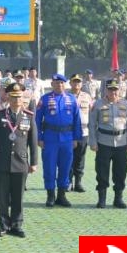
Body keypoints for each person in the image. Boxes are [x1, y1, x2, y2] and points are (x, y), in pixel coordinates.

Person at [0, 82, 37, 238]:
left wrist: (34, 162)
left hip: (20, 162)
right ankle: (4, 225)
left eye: (19, 97)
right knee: (2, 197)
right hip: (1, 162)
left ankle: (17, 225)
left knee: (18, 197)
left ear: (23, 98)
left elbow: (33, 141)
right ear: (8, 97)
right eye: (13, 97)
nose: (16, 100)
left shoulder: (28, 116)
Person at [35, 74, 82, 208]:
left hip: (67, 138)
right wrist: (39, 137)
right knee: (49, 167)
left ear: (65, 84)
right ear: (52, 84)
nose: (59, 85)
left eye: (61, 83)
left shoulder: (72, 99)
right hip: (50, 138)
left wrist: (76, 138)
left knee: (65, 167)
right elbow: (37, 120)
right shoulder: (44, 99)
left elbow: (77, 120)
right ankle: (51, 195)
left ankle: (62, 195)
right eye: (56, 83)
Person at [88, 79, 127, 209]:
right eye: (110, 89)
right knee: (102, 171)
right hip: (103, 142)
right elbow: (92, 124)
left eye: (115, 89)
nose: (113, 92)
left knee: (121, 171)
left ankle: (118, 199)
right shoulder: (98, 104)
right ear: (106, 90)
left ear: (119, 90)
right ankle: (101, 199)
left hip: (121, 142)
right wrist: (93, 142)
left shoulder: (126, 105)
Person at [67, 74, 94, 193]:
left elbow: (92, 113)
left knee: (80, 157)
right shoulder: (66, 96)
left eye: (79, 82)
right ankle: (68, 182)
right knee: (68, 157)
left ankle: (78, 182)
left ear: (82, 84)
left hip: (83, 131)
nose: (77, 84)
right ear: (70, 83)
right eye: (74, 81)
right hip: (69, 132)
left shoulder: (87, 97)